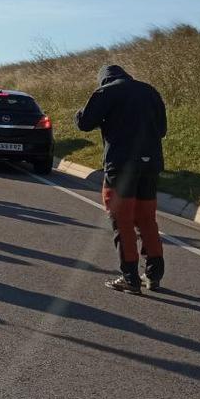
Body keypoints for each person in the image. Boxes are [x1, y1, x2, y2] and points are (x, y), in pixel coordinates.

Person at [75, 65, 168, 294]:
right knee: (147, 218)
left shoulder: (107, 92)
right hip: (151, 164)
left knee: (122, 220)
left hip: (121, 165)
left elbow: (85, 123)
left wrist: (79, 113)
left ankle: (130, 277)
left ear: (103, 80)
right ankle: (153, 274)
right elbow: (162, 129)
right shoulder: (150, 91)